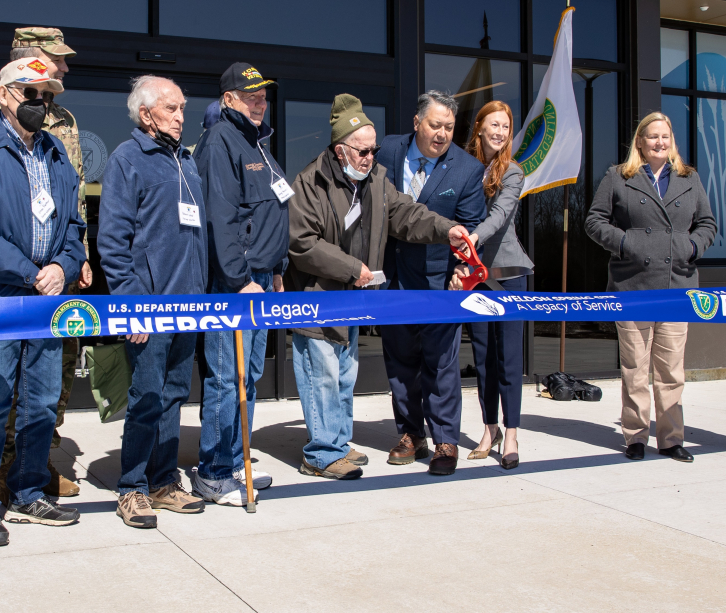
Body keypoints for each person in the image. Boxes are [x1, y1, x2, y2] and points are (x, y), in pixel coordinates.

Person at [288, 94, 469, 480]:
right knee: (320, 374)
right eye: (363, 151)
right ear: (341, 151)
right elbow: (302, 244)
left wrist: (446, 230)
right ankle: (320, 454)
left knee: (344, 374)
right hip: (319, 299)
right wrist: (354, 268)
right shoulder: (309, 182)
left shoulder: (375, 181)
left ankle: (337, 442)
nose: (371, 157)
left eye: (374, 150)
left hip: (353, 298)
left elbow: (408, 213)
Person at [0, 56, 86, 546]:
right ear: (4, 93)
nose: (41, 105)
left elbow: (74, 227)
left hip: (46, 300)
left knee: (42, 401)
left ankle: (28, 492)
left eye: (47, 96)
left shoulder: (55, 153)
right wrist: (29, 273)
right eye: (32, 94)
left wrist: (62, 268)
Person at [0, 27, 90, 501]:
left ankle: (39, 461)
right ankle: (3, 468)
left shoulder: (65, 119)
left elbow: (75, 194)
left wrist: (81, 256)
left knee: (57, 370)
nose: (63, 68)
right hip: (17, 272)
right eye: (54, 59)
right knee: (9, 377)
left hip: (62, 265)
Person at [98, 75, 210, 526]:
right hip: (149, 306)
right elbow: (112, 241)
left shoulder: (187, 161)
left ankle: (164, 482)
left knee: (175, 394)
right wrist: (129, 306)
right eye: (171, 109)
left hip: (189, 304)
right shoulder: (128, 159)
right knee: (146, 396)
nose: (181, 117)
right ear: (146, 114)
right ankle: (133, 487)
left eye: (183, 108)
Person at [585, 111, 716, 463]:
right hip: (632, 286)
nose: (660, 142)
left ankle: (672, 439)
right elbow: (594, 221)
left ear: (671, 141)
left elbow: (707, 224)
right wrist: (626, 242)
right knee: (635, 368)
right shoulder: (619, 176)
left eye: (665, 136)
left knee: (671, 371)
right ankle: (635, 437)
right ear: (640, 141)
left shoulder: (689, 178)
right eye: (652, 136)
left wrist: (691, 247)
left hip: (677, 286)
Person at [190, 62, 287, 503]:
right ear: (228, 99)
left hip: (263, 278)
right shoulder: (219, 142)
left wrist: (278, 268)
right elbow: (220, 219)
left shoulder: (258, 142)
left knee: (249, 375)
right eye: (250, 96)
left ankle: (235, 463)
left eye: (263, 96)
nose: (259, 103)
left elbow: (270, 211)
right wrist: (239, 278)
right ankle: (213, 471)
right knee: (228, 376)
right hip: (237, 284)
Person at [375, 91, 485, 476]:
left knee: (441, 363)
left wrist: (461, 271)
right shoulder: (386, 150)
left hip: (440, 283)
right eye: (435, 125)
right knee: (400, 361)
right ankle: (410, 434)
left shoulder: (467, 169)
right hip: (392, 277)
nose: (441, 134)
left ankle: (445, 439)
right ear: (417, 122)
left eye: (449, 128)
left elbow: (469, 228)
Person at [459, 101, 533, 470]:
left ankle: (513, 432)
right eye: (495, 125)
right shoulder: (464, 167)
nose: (501, 132)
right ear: (479, 127)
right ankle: (490, 430)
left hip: (507, 274)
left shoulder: (513, 172)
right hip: (474, 278)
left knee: (509, 359)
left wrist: (469, 240)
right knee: (484, 359)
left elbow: (500, 216)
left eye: (506, 126)